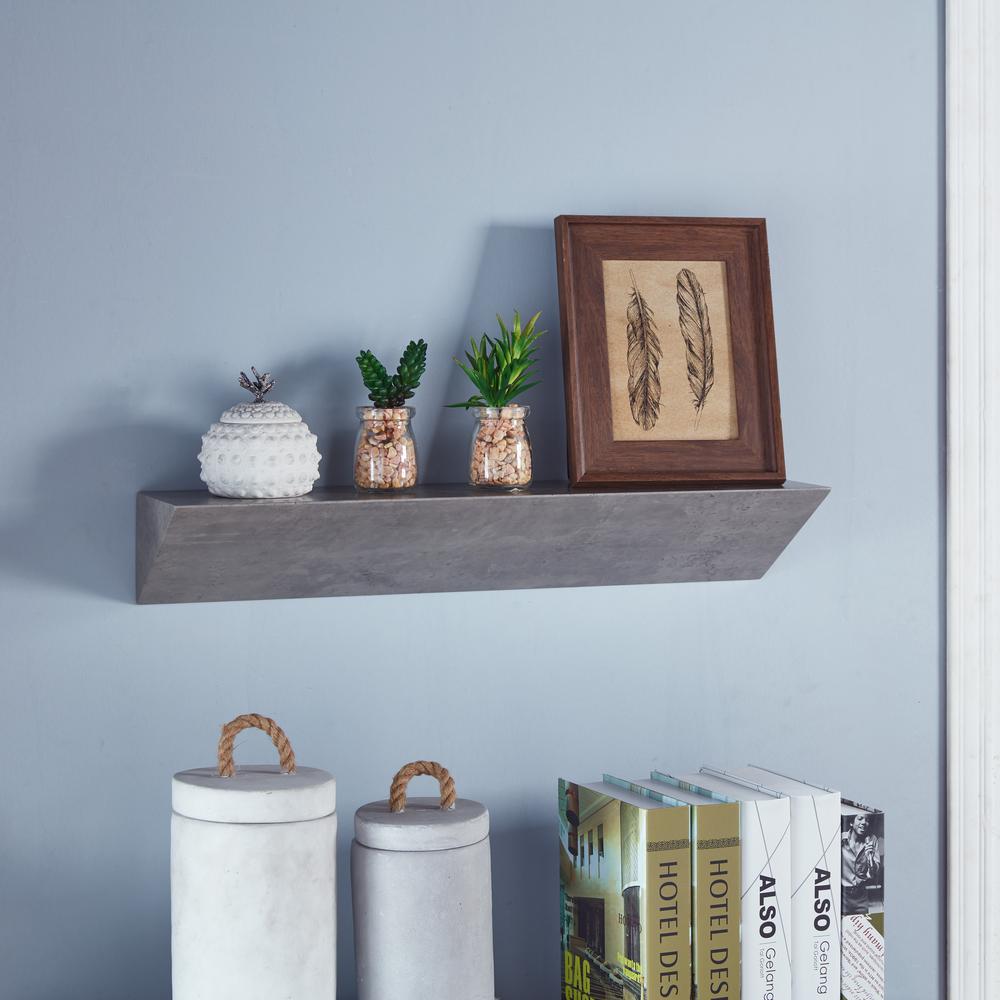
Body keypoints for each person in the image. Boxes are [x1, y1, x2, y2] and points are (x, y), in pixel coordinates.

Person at [842, 813, 881, 915]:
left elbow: (873, 874)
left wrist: (870, 859)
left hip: (861, 896)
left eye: (867, 820)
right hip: (842, 895)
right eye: (860, 819)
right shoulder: (840, 839)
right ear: (851, 823)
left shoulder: (872, 840)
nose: (864, 822)